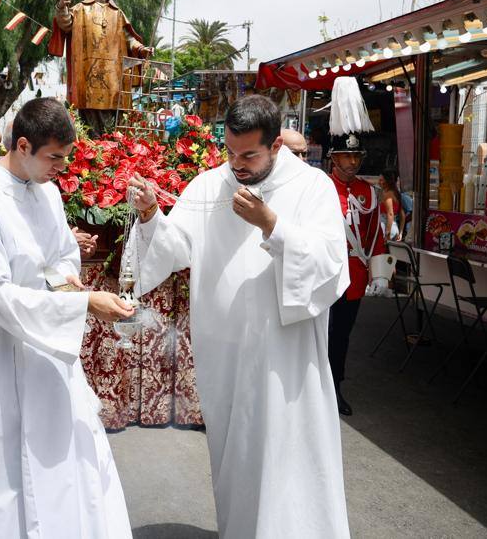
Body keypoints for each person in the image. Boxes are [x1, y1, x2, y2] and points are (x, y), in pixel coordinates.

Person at [127, 95, 351, 538]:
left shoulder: (312, 187)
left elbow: (330, 267)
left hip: (285, 357)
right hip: (224, 352)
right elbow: (174, 250)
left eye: (249, 154)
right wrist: (152, 214)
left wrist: (272, 224)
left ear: (276, 146)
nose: (237, 164)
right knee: (236, 455)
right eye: (230, 151)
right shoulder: (210, 185)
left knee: (289, 454)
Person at [0, 97, 134, 538]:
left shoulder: (47, 191)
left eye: (65, 158)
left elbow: (61, 258)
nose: (61, 168)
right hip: (1, 342)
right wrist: (82, 304)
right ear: (23, 145)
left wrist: (71, 285)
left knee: (65, 454)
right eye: (54, 158)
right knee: (2, 457)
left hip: (50, 344)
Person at [325, 77, 393, 417]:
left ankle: (335, 388)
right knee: (321, 337)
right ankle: (318, 391)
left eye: (356, 156)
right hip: (325, 277)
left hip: (353, 280)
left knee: (341, 339)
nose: (352, 162)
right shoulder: (321, 189)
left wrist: (380, 273)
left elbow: (375, 235)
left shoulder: (369, 193)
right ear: (333, 158)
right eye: (345, 156)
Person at [49, 0, 155, 135]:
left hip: (113, 74)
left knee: (113, 118)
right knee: (90, 118)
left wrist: (142, 49)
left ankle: (110, 151)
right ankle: (92, 151)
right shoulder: (80, 9)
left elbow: (129, 39)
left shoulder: (117, 13)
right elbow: (65, 23)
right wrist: (62, 6)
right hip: (87, 74)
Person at [379, 169, 403, 241]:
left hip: (386, 228)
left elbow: (390, 214)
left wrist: (387, 234)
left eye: (381, 180)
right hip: (395, 228)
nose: (379, 182)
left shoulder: (388, 195)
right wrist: (401, 233)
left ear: (387, 182)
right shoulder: (396, 193)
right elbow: (403, 215)